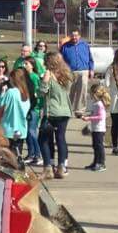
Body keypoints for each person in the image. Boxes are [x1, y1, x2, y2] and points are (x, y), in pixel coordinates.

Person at [38, 52, 73, 180]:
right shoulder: (66, 74)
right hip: (65, 111)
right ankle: (61, 167)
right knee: (60, 139)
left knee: (43, 139)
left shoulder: (49, 74)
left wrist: (43, 82)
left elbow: (42, 92)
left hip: (52, 112)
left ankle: (48, 167)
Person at [60, 29, 94, 116]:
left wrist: (91, 69)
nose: (74, 37)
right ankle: (68, 109)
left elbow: (90, 58)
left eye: (76, 35)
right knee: (69, 91)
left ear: (79, 36)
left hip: (83, 71)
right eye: (72, 35)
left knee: (82, 91)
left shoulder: (85, 45)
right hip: (69, 72)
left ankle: (80, 110)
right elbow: (60, 60)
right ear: (70, 36)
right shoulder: (65, 47)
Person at [0, 68, 31, 159]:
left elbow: (1, 107)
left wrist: (2, 93)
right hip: (21, 129)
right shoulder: (26, 94)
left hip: (9, 129)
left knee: (6, 156)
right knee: (17, 153)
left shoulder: (10, 92)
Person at [82, 83, 110, 172]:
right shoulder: (96, 104)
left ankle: (101, 163)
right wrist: (88, 115)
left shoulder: (99, 104)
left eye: (90, 93)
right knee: (95, 146)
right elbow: (95, 114)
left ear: (95, 94)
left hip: (99, 129)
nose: (90, 95)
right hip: (95, 128)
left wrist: (89, 118)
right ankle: (95, 162)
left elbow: (101, 117)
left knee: (99, 146)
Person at [22, 56, 43, 165]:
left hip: (34, 108)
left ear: (32, 65)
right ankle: (31, 154)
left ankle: (38, 154)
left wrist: (38, 106)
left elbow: (38, 93)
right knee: (27, 133)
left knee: (32, 131)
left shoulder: (34, 77)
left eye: (26, 64)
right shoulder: (23, 76)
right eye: (24, 63)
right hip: (25, 107)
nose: (24, 66)